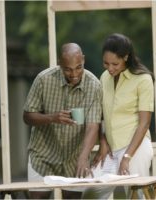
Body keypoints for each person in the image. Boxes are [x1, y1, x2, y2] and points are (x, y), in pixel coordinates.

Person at [23, 43, 102, 199]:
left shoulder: (94, 85)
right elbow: (27, 116)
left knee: (72, 198)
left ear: (84, 60)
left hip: (75, 156)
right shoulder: (43, 79)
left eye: (78, 67)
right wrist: (52, 117)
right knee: (38, 197)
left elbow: (93, 126)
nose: (74, 74)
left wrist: (83, 157)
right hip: (43, 154)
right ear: (60, 63)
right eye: (68, 69)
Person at [82, 33, 155, 199]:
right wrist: (103, 141)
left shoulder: (143, 79)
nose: (110, 68)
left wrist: (127, 157)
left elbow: (144, 123)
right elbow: (101, 115)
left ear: (126, 57)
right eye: (106, 63)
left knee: (137, 195)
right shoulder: (104, 78)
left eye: (115, 63)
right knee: (91, 195)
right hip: (111, 149)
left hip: (136, 148)